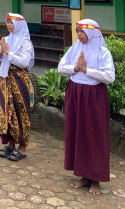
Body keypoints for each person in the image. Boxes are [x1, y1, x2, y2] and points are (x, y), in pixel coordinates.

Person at [58, 19, 115, 195]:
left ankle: (96, 178)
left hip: (93, 97)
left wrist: (86, 71)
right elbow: (61, 67)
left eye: (81, 31)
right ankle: (83, 174)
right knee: (79, 134)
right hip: (75, 93)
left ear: (91, 33)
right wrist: (76, 67)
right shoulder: (75, 48)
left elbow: (109, 76)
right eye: (77, 31)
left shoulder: (102, 52)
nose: (79, 34)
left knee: (94, 135)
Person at [0, 13, 34, 161]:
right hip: (5, 79)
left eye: (11, 22)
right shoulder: (7, 39)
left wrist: (8, 52)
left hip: (19, 80)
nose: (9, 25)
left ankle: (22, 148)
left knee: (20, 111)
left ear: (19, 24)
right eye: (8, 22)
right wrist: (0, 52)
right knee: (6, 110)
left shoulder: (25, 42)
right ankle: (10, 144)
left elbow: (24, 62)